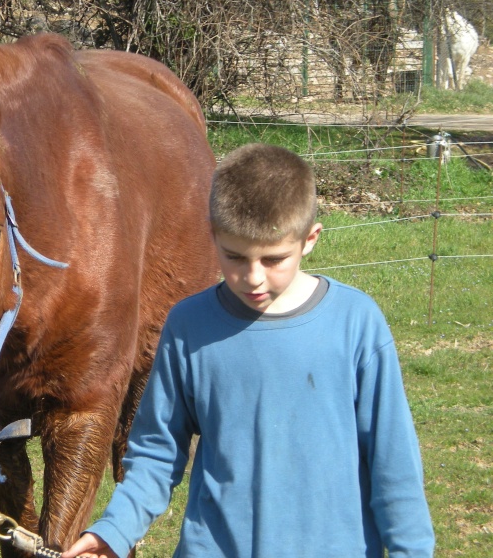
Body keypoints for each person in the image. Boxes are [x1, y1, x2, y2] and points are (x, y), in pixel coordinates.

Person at [62, 144, 434, 558]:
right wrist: (115, 529)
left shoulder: (356, 323)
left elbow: (393, 465)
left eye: (274, 259)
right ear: (213, 236)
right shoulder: (188, 325)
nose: (253, 277)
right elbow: (156, 450)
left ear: (310, 239)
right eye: (235, 256)